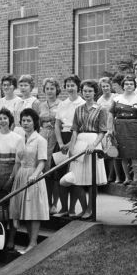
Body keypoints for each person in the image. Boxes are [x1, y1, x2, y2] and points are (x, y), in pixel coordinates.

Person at [10, 108, 49, 253]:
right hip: (21, 175)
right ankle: (30, 242)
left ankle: (33, 243)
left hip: (34, 175)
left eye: (28, 121)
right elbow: (17, 162)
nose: (25, 123)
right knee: (23, 211)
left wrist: (35, 175)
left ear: (34, 122)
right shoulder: (19, 139)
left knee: (33, 210)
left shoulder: (40, 140)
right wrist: (12, 178)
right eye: (23, 121)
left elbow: (42, 162)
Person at [67, 80, 108, 219]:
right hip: (79, 142)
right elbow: (74, 130)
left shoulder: (101, 109)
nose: (87, 93)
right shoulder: (78, 109)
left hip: (93, 142)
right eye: (85, 91)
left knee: (92, 179)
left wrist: (94, 144)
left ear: (95, 92)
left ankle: (91, 209)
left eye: (90, 91)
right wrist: (71, 147)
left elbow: (103, 131)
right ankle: (84, 208)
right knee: (76, 178)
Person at [0, 108, 24, 249]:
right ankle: (0, 238)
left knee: (12, 209)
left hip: (12, 174)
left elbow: (18, 162)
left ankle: (11, 239)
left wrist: (11, 178)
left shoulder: (18, 138)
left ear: (10, 120)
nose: (2, 121)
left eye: (5, 118)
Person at [53, 75, 85, 217]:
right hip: (62, 140)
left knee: (73, 176)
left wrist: (69, 144)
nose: (70, 88)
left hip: (75, 139)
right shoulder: (62, 104)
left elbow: (81, 127)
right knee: (60, 176)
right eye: (68, 85)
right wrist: (60, 143)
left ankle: (72, 209)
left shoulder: (82, 104)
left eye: (73, 85)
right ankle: (63, 208)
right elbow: (57, 125)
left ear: (78, 87)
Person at [109, 75, 137, 184]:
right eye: (126, 84)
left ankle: (135, 177)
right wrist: (111, 128)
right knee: (124, 154)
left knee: (135, 154)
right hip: (121, 128)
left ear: (134, 86)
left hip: (136, 127)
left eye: (131, 84)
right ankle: (127, 178)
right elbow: (111, 114)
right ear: (123, 86)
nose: (129, 86)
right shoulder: (116, 99)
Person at [38, 78, 61, 214]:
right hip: (42, 138)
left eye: (52, 88)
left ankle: (54, 203)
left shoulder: (61, 104)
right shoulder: (41, 105)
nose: (49, 91)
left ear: (56, 90)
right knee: (44, 171)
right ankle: (45, 202)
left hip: (55, 137)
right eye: (47, 89)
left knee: (54, 171)